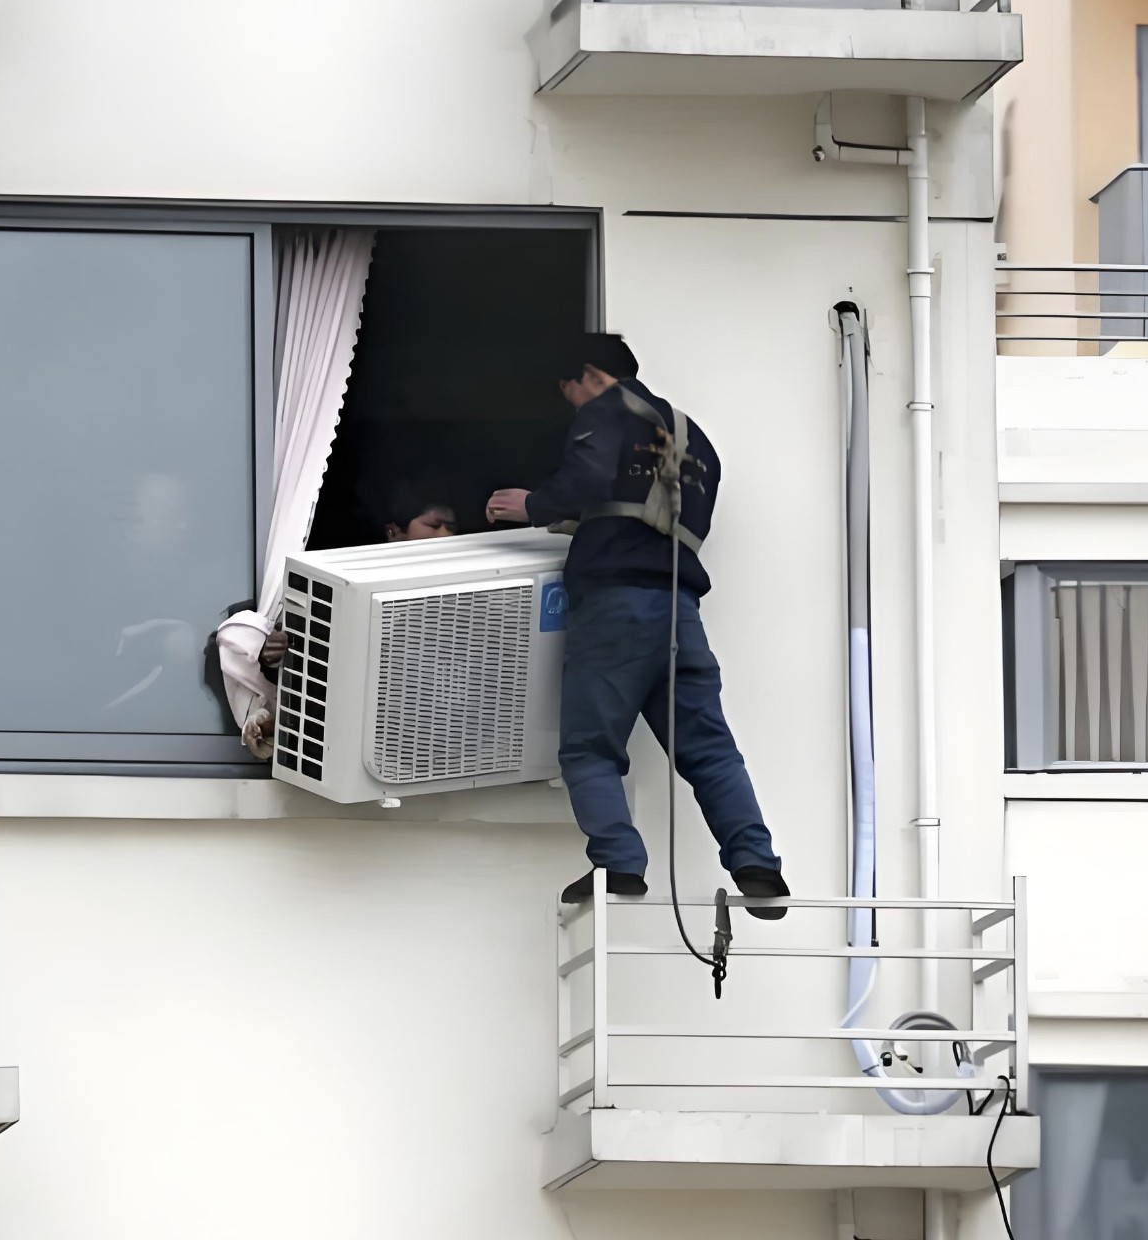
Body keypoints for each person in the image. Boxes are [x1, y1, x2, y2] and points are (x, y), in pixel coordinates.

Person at [485, 333, 790, 917]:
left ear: (587, 375)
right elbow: (645, 510)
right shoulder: (696, 439)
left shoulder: (606, 410)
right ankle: (759, 867)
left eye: (569, 390)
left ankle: (618, 864)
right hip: (679, 610)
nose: (573, 403)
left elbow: (586, 479)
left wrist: (532, 505)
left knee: (589, 747)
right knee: (709, 749)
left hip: (616, 607)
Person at [258, 481, 459, 672]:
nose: (443, 534)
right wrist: (271, 654)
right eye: (434, 525)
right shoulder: (344, 580)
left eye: (450, 527)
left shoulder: (451, 600)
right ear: (394, 530)